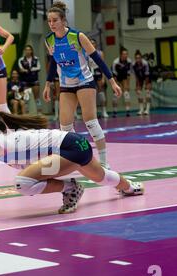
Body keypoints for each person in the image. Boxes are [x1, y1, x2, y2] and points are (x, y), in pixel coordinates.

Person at [0, 112, 144, 214]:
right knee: (102, 177)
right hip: (76, 145)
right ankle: (131, 187)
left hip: (71, 148)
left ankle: (71, 187)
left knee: (23, 182)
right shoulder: (1, 141)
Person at [43, 1, 122, 170]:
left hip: (84, 81)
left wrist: (112, 81)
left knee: (91, 122)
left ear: (63, 20)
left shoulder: (77, 36)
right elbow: (53, 62)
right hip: (65, 85)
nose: (51, 24)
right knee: (64, 127)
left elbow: (98, 60)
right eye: (49, 21)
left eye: (55, 20)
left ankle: (103, 162)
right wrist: (47, 84)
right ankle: (73, 161)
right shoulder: (49, 40)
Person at [18, 45, 42, 114]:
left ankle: (39, 113)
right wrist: (25, 70)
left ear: (31, 51)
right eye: (26, 50)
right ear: (24, 51)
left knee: (37, 98)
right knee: (26, 98)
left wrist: (31, 69)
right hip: (25, 81)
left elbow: (39, 67)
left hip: (34, 80)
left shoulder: (36, 59)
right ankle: (27, 113)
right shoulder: (21, 60)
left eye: (29, 50)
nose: (28, 51)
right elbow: (21, 69)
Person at [88, 38, 108, 118]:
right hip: (89, 72)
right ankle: (93, 112)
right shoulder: (86, 53)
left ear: (96, 44)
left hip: (98, 71)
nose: (92, 44)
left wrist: (103, 77)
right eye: (91, 43)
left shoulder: (100, 53)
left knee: (101, 90)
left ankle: (104, 111)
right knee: (90, 92)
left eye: (93, 43)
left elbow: (103, 65)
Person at [111, 47, 132, 117]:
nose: (125, 55)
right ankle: (114, 111)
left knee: (126, 93)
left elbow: (128, 74)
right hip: (117, 77)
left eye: (126, 54)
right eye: (124, 54)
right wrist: (115, 84)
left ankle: (128, 111)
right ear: (121, 55)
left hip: (124, 77)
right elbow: (114, 75)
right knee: (116, 94)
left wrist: (128, 85)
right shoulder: (115, 62)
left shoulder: (129, 61)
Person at [132, 50, 152, 115]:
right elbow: (136, 76)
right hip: (139, 78)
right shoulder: (133, 64)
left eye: (139, 58)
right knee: (139, 92)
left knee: (147, 92)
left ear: (141, 58)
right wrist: (137, 85)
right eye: (136, 58)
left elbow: (147, 75)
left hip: (147, 76)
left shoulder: (145, 63)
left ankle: (147, 109)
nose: (138, 59)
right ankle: (141, 109)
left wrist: (147, 85)